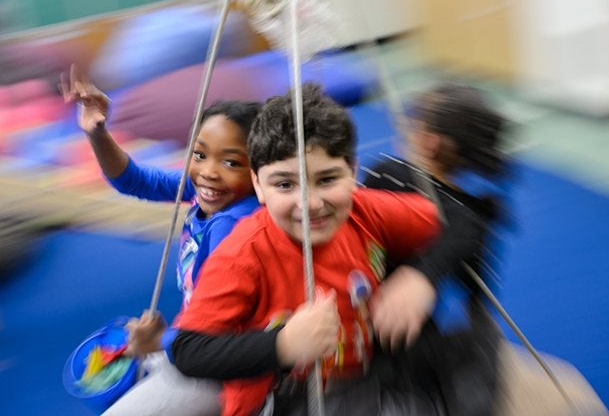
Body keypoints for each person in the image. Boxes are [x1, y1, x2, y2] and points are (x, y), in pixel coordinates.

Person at [171, 83, 442, 415]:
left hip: (366, 385)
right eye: (285, 184)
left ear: (353, 172)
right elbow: (188, 349)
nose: (310, 203)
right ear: (258, 185)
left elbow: (454, 221)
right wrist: (283, 345)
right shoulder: (243, 254)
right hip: (281, 400)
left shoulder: (364, 211)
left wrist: (421, 276)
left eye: (327, 179)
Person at [61, 65, 262, 415]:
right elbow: (135, 180)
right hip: (192, 345)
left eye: (231, 162)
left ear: (259, 170)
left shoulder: (233, 226)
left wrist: (160, 341)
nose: (208, 172)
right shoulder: (208, 194)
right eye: (200, 154)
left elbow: (226, 334)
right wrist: (97, 131)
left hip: (219, 369)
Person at [362, 82, 513, 415]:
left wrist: (422, 275)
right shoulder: (476, 213)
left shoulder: (390, 175)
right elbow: (474, 290)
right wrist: (424, 274)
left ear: (429, 141)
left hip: (391, 339)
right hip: (415, 334)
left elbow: (463, 228)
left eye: (413, 119)